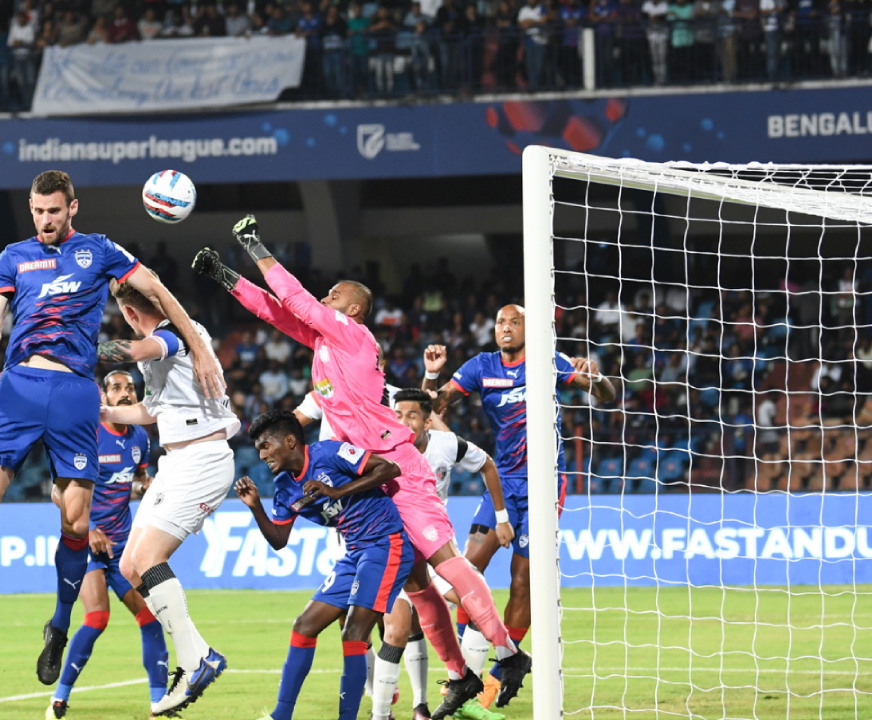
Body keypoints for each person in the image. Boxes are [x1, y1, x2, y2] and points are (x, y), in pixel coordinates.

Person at [195, 216, 531, 715]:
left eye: (333, 294)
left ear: (351, 308)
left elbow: (295, 299)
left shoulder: (352, 335)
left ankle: (508, 652)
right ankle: (459, 674)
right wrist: (226, 275)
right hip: (366, 470)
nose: (324, 297)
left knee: (445, 561)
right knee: (417, 584)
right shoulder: (325, 345)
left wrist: (254, 246)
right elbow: (275, 311)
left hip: (395, 461)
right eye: (326, 294)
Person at [0, 170, 223, 690]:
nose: (46, 220)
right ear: (31, 210)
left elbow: (155, 288)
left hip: (75, 395)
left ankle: (61, 624)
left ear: (72, 208)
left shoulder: (99, 250)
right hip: (19, 386)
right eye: (38, 212)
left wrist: (200, 348)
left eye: (54, 211)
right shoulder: (12, 257)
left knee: (75, 522)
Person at [422, 304, 616, 710]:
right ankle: (479, 667)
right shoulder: (481, 366)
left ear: (531, 327)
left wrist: (596, 375)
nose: (505, 328)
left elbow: (607, 395)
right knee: (466, 569)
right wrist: (434, 374)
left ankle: (491, 682)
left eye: (515, 322)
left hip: (545, 482)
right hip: (503, 482)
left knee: (523, 581)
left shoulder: (548, 360)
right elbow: (430, 409)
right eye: (500, 323)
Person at [96, 278, 239, 714]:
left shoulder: (176, 334)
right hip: (175, 461)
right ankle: (202, 656)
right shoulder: (159, 352)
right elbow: (152, 411)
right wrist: (104, 411)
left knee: (149, 559)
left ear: (130, 314)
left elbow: (133, 351)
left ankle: (194, 661)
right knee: (128, 565)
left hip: (203, 458)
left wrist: (74, 344)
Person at [237, 410, 413, 720]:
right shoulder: (284, 486)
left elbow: (389, 468)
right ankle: (281, 715)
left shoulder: (329, 452)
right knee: (304, 626)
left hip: (385, 543)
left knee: (353, 632)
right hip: (354, 553)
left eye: (266, 445)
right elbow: (279, 539)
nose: (261, 454)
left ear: (290, 441)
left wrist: (337, 490)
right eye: (259, 448)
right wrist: (255, 507)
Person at [46, 369, 167, 719]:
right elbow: (58, 491)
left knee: (150, 618)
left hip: (123, 546)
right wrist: (90, 528)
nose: (125, 393)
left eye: (130, 387)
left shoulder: (140, 437)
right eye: (117, 388)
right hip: (85, 542)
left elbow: (138, 477)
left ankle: (159, 703)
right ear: (104, 396)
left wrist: (148, 486)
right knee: (97, 617)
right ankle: (59, 697)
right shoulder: (87, 435)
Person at [385, 388, 510, 720]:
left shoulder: (446, 444)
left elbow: (487, 463)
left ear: (428, 422)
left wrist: (502, 518)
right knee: (398, 626)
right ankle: (412, 705)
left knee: (475, 599)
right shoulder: (382, 447)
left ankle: (463, 690)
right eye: (397, 415)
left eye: (411, 416)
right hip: (396, 548)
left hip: (436, 546)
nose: (403, 422)